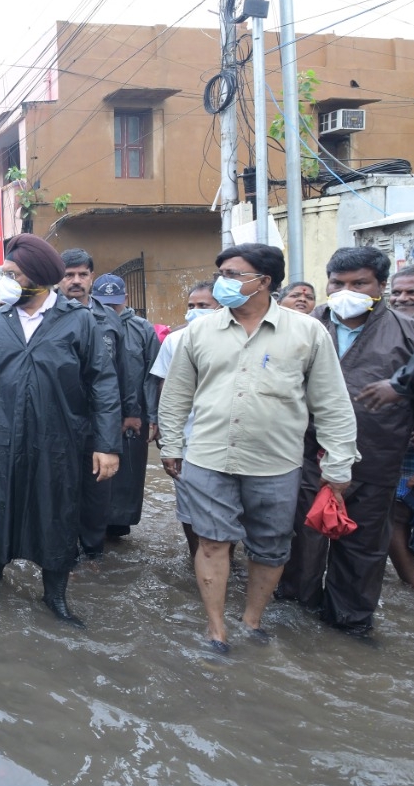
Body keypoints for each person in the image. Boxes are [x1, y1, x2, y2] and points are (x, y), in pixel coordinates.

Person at [159, 243, 357, 652]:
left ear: (264, 282)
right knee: (212, 542)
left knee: (270, 546)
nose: (222, 283)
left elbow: (331, 402)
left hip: (276, 461)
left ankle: (252, 622)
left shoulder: (307, 333)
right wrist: (171, 444)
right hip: (208, 456)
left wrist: (339, 461)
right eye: (221, 274)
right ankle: (216, 630)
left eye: (232, 275)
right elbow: (176, 395)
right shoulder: (198, 331)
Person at [0, 234, 120, 627]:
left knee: (57, 511)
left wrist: (106, 444)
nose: (6, 281)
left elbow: (103, 383)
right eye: (4, 273)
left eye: (11, 274)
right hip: (4, 435)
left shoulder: (79, 321)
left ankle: (55, 596)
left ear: (36, 276)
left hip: (61, 438)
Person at [275, 247, 414, 637]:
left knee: (362, 549)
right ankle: (297, 618)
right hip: (306, 455)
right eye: (338, 283)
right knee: (302, 540)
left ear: (380, 286)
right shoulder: (301, 326)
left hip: (376, 458)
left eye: (359, 283)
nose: (347, 290)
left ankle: (351, 624)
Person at [60, 249, 134, 558]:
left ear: (92, 277)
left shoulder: (108, 318)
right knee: (59, 487)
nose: (76, 281)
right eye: (68, 275)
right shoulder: (46, 316)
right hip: (59, 418)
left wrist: (130, 413)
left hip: (98, 420)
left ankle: (91, 551)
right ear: (58, 279)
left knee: (96, 490)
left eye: (82, 274)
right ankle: (61, 550)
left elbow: (122, 371)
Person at [147, 281, 219, 558]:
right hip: (186, 437)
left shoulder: (239, 340)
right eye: (191, 306)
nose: (195, 311)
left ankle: (223, 557)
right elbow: (164, 387)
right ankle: (195, 556)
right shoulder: (176, 340)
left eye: (204, 306)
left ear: (221, 307)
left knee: (226, 506)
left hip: (223, 437)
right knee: (188, 504)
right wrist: (165, 432)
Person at [92, 274, 160, 539]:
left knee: (128, 474)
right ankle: (92, 527)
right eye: (104, 304)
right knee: (95, 471)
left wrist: (150, 416)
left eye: (115, 304)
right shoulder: (88, 324)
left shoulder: (143, 329)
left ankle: (119, 525)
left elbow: (151, 376)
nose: (110, 310)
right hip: (98, 414)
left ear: (126, 300)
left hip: (135, 416)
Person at [383, 265, 414, 596]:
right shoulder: (388, 333)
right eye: (397, 292)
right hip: (399, 441)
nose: (403, 298)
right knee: (395, 513)